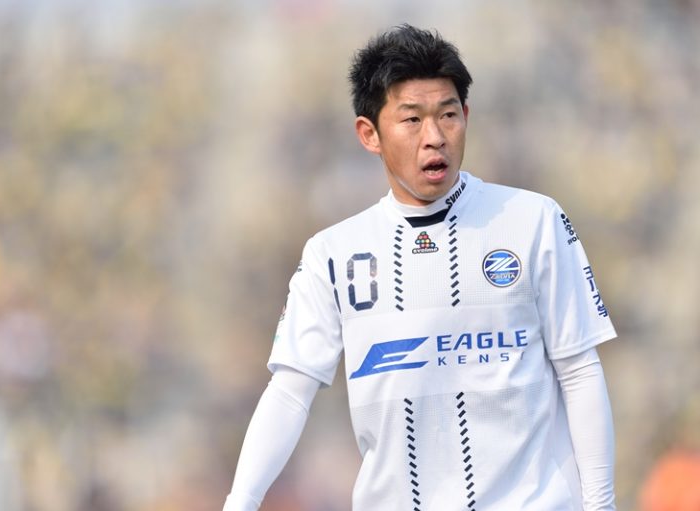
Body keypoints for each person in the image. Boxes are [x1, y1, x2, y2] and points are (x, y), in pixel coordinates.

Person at [223, 24, 617, 510]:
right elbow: (289, 393)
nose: (435, 137)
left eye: (448, 115)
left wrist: (601, 505)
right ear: (370, 134)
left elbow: (579, 371)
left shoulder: (535, 221)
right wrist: (239, 503)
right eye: (412, 120)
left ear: (465, 116)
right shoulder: (333, 254)